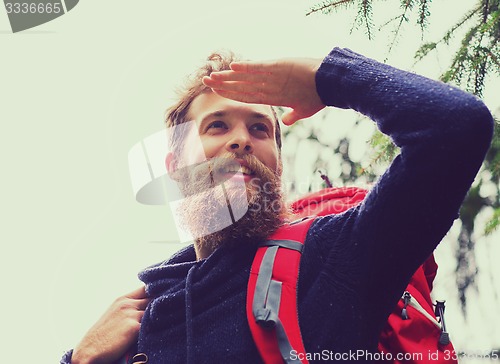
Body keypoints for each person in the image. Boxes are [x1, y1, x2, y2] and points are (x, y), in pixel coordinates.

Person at [61, 46, 493, 364]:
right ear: (174, 167)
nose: (241, 139)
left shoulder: (333, 258)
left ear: (278, 166)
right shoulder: (138, 323)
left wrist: (328, 77)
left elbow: (456, 126)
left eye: (259, 129)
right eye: (217, 125)